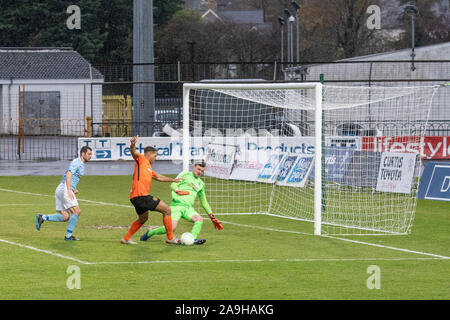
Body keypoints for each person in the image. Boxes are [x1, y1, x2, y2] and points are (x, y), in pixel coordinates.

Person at [140, 160, 223, 245]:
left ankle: (193, 239)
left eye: (202, 171)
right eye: (198, 169)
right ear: (194, 167)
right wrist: (177, 191)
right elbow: (173, 184)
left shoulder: (201, 184)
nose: (200, 172)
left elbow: (204, 201)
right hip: (176, 206)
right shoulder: (185, 174)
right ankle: (150, 232)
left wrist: (212, 216)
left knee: (199, 219)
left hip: (188, 208)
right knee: (171, 228)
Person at [121, 135, 183, 245]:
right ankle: (170, 238)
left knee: (143, 218)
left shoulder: (148, 168)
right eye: (155, 156)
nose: (156, 158)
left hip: (135, 198)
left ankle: (125, 238)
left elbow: (158, 177)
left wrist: (173, 180)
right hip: (141, 196)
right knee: (167, 210)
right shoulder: (141, 159)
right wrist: (132, 144)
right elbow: (133, 152)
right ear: (149, 154)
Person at [36, 146, 93, 240]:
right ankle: (68, 236)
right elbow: (68, 175)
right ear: (83, 154)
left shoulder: (81, 164)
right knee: (77, 211)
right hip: (65, 189)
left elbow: (73, 177)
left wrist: (74, 188)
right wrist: (69, 190)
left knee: (65, 217)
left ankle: (43, 217)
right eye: (89, 154)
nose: (91, 156)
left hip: (61, 188)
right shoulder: (77, 162)